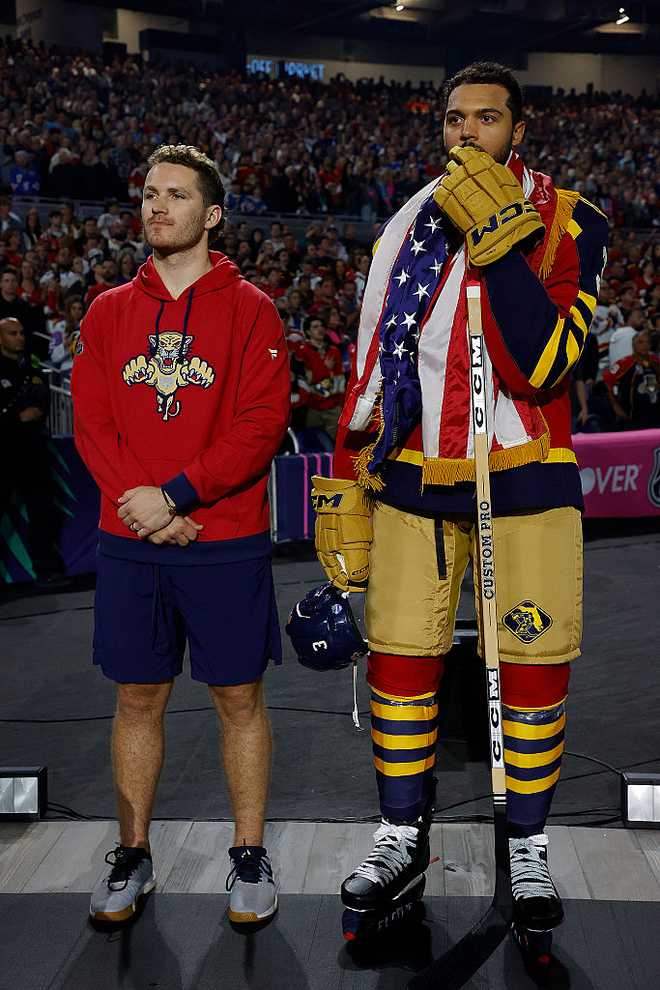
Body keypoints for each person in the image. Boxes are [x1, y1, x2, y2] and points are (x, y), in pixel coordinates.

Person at [310, 63, 609, 940]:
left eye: (486, 117)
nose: (467, 133)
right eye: (453, 119)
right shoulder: (404, 225)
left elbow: (543, 365)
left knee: (535, 666)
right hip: (412, 475)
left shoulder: (575, 220)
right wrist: (351, 476)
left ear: (519, 129)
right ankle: (402, 835)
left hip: (527, 475)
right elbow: (373, 363)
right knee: (400, 664)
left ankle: (528, 844)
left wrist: (501, 244)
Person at [71, 144, 290, 926]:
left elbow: (261, 426)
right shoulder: (106, 311)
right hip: (132, 537)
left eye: (176, 194)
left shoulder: (253, 309)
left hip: (223, 536)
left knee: (238, 697)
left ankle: (249, 854)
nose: (157, 206)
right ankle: (133, 854)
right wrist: (145, 508)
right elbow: (92, 423)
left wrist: (171, 496)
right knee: (137, 697)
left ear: (213, 213)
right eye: (149, 194)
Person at [0, 317, 66, 583]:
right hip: (5, 452)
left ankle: (47, 570)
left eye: (21, 332)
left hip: (34, 451)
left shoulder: (32, 367)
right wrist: (16, 418)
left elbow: (42, 401)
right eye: (12, 333)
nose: (20, 337)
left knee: (43, 511)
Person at [603, 329, 659, 430]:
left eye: (648, 342)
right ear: (633, 344)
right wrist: (615, 406)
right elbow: (606, 382)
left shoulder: (656, 361)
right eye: (641, 342)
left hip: (656, 418)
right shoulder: (623, 363)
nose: (645, 345)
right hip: (633, 420)